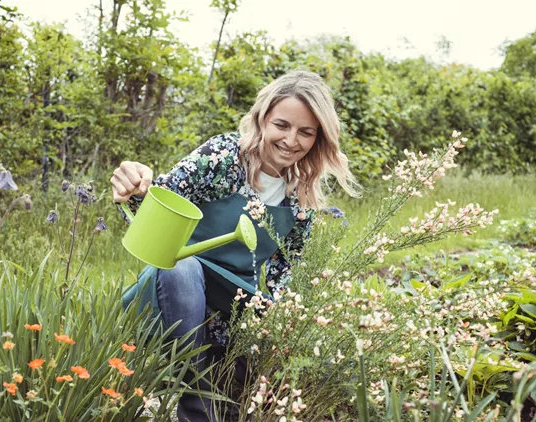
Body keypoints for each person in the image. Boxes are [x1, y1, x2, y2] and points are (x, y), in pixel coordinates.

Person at [111, 70, 360, 421]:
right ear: (262, 119)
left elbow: (280, 277)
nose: (291, 140)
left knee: (239, 405)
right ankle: (194, 405)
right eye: (282, 125)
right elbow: (156, 206)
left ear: (318, 139)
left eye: (306, 132)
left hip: (232, 315)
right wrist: (134, 187)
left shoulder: (301, 195)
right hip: (172, 297)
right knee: (184, 267)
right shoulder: (224, 158)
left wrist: (276, 342)